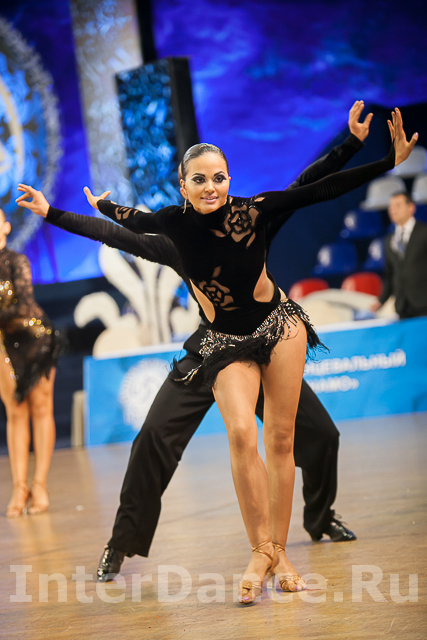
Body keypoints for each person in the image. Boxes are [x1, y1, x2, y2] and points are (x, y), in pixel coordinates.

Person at [17, 107, 416, 605]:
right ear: (183, 186)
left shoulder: (252, 218)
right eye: (199, 180)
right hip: (212, 348)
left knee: (321, 436)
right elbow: (116, 232)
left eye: (219, 178)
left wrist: (354, 146)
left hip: (269, 338)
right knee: (153, 438)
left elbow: (308, 187)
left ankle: (318, 519)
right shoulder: (175, 238)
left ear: (229, 180)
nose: (211, 187)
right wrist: (53, 212)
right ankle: (120, 544)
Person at [0, 208, 60, 517]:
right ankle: (19, 486)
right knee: (15, 412)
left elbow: (23, 305)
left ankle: (39, 484)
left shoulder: (16, 261)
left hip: (35, 339)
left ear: (6, 227)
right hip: (4, 344)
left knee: (40, 408)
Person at [371, 191, 427, 318]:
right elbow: (390, 275)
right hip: (402, 307)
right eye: (391, 207)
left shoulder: (424, 233)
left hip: (424, 305)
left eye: (398, 205)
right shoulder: (389, 240)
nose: (393, 210)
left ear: (411, 207)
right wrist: (381, 301)